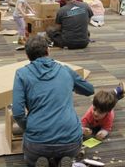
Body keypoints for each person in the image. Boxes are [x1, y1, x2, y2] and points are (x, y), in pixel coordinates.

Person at [12, 36, 94, 167]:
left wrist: (29, 128)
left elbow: (17, 113)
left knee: (30, 158)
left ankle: (39, 161)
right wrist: (71, 85)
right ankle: (63, 161)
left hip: (37, 143)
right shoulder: (65, 70)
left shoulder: (21, 74)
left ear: (27, 56)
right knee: (68, 152)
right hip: (70, 141)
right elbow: (89, 90)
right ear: (48, 51)